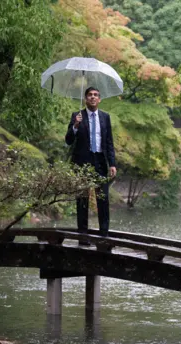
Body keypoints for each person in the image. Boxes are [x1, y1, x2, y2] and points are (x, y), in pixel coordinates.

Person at [65, 86, 116, 240]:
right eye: (89, 95)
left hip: (100, 161)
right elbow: (68, 141)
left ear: (99, 99)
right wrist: (75, 126)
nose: (93, 97)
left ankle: (104, 236)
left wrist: (112, 164)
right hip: (82, 163)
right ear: (85, 99)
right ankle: (83, 236)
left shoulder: (105, 117)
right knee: (82, 200)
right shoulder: (77, 116)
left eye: (95, 95)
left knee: (103, 199)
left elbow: (109, 142)